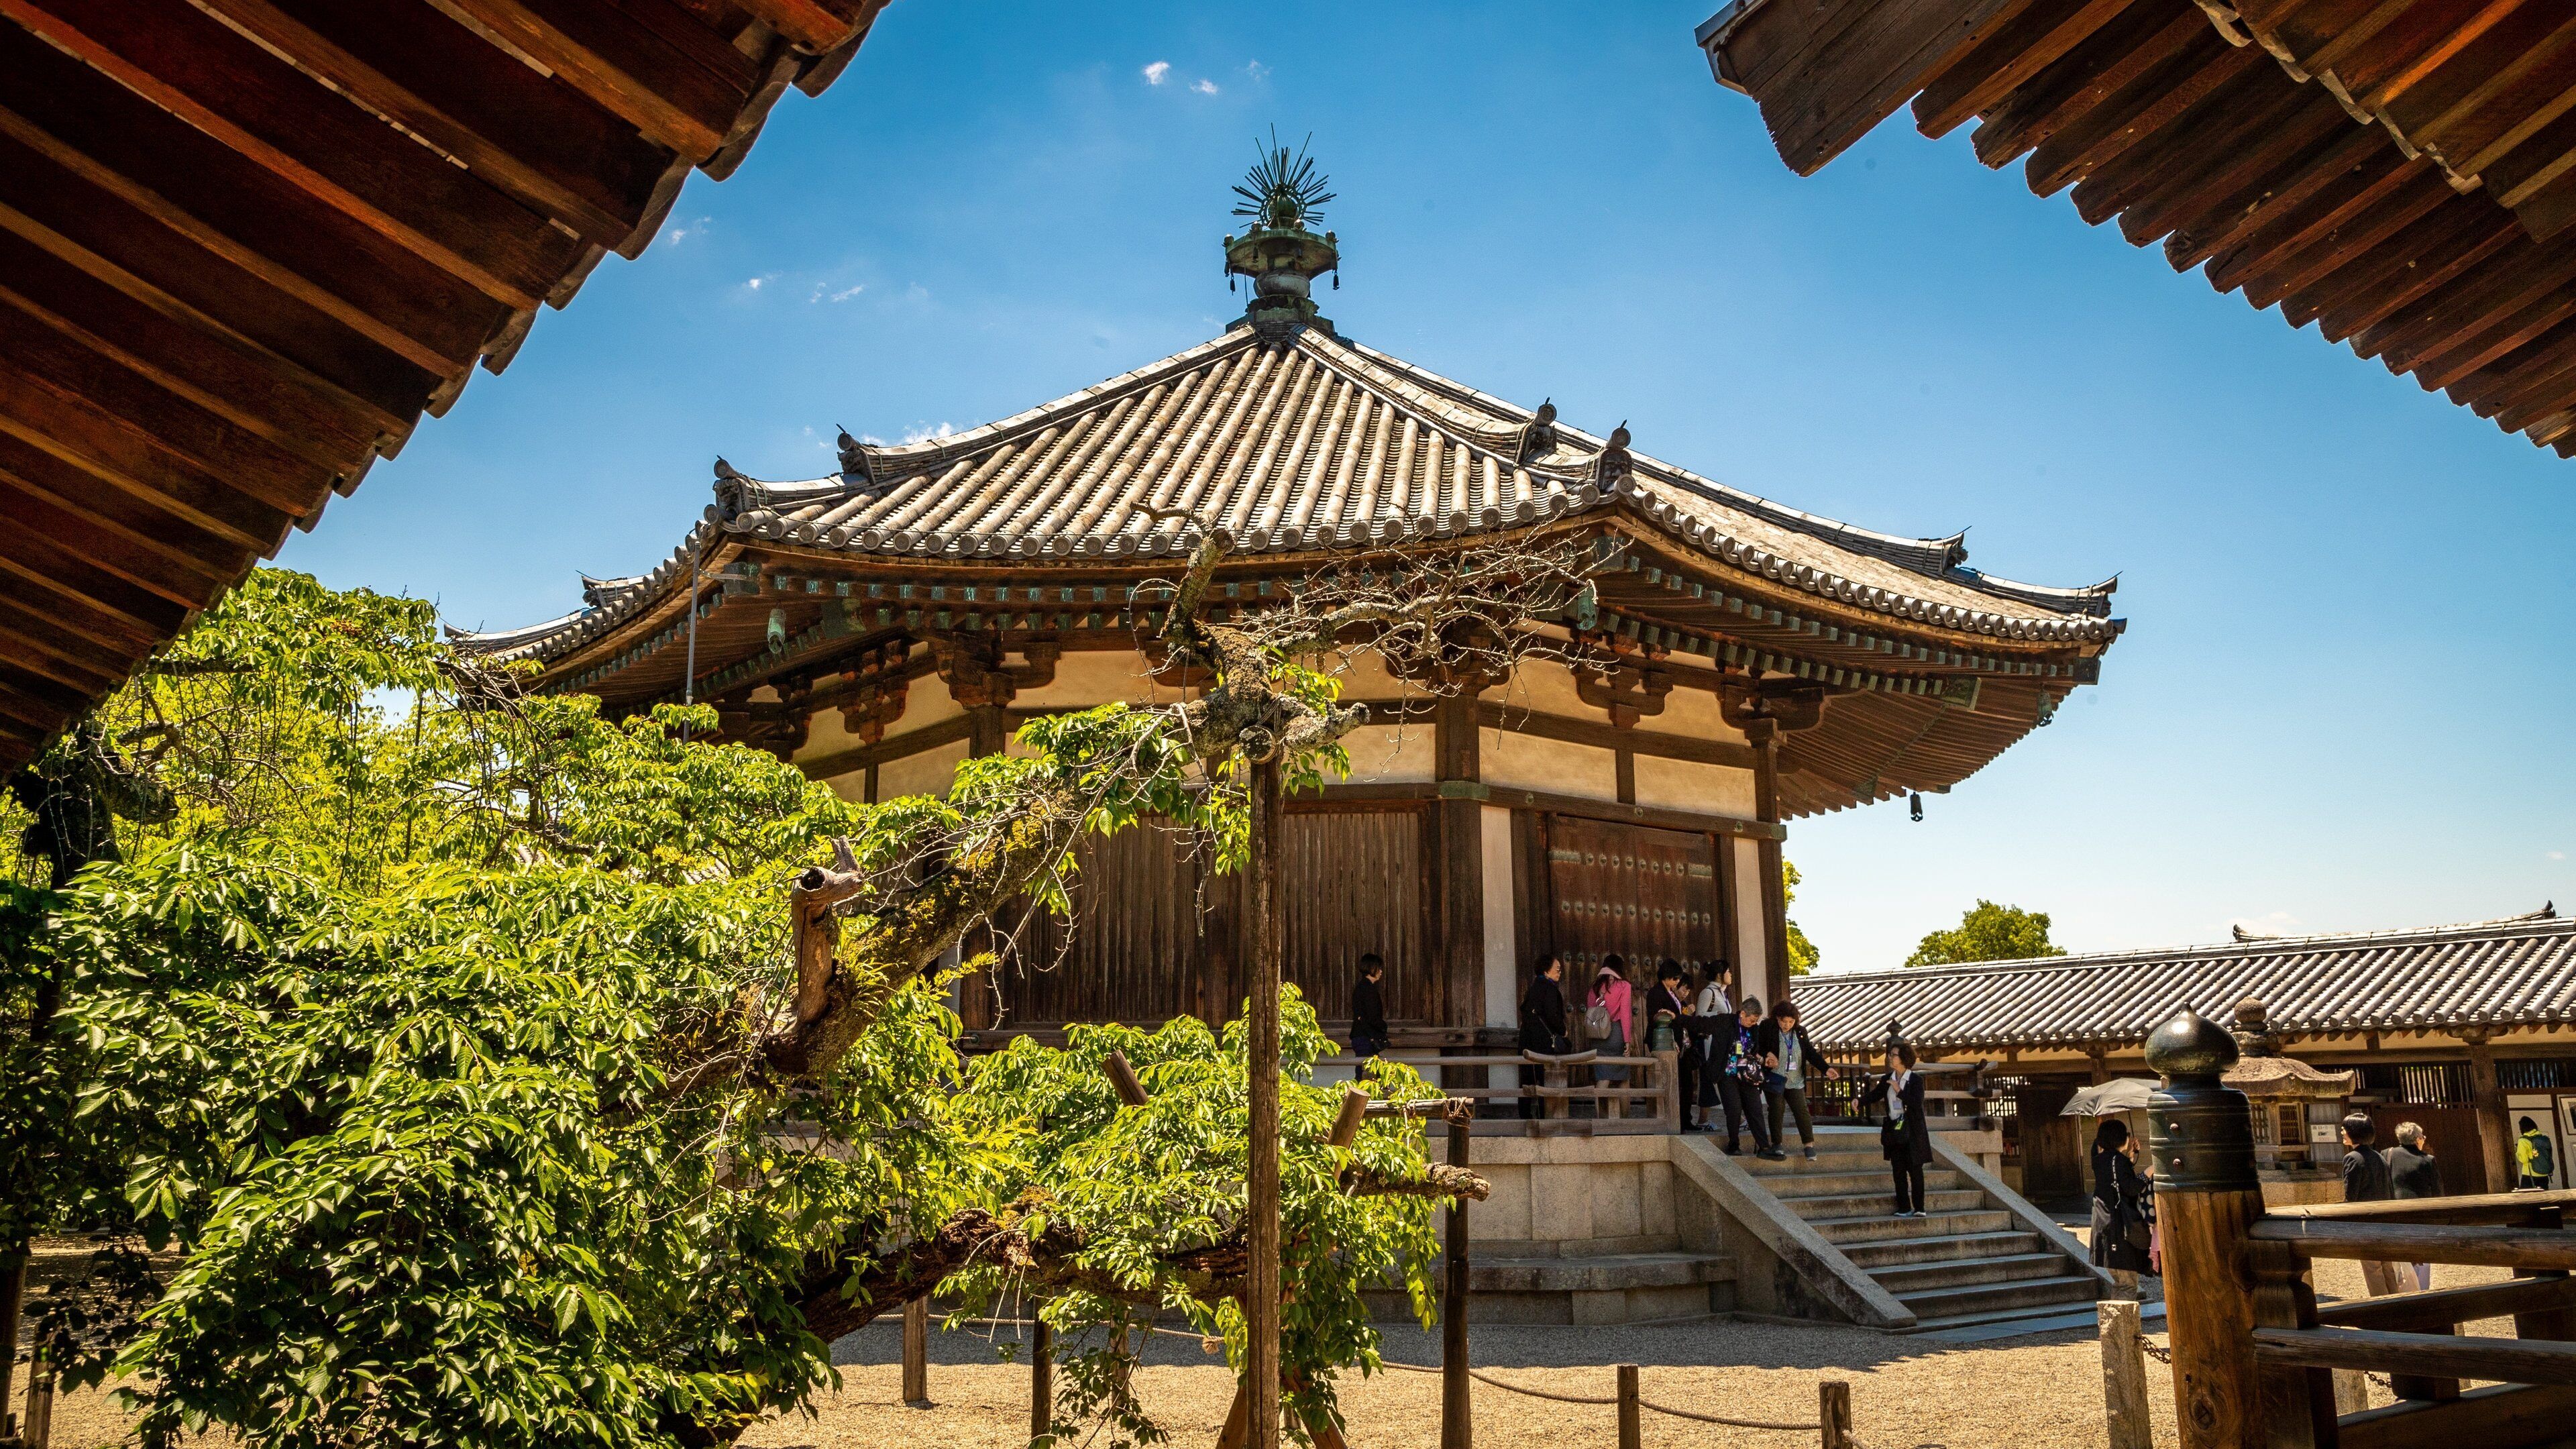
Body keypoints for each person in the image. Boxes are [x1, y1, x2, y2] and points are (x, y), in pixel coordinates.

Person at [1858, 1038, 1932, 1216]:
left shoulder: (1915, 1080)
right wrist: (1858, 1101)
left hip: (1913, 1130)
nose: (1890, 1058)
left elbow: (1916, 1103)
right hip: (1894, 1129)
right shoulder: (1887, 1079)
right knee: (1898, 1169)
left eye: (1894, 1055)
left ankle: (1919, 1208)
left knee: (1915, 1170)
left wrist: (1899, 1090)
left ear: (1904, 1058)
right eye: (1890, 1055)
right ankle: (1904, 1207)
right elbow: (1875, 1095)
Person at [1756, 1000, 1836, 1161]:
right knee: (1777, 1109)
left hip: (1795, 1079)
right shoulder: (1767, 1029)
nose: (1787, 1025)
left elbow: (1810, 1053)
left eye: (1791, 1022)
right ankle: (1777, 1144)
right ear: (1777, 1018)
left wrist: (1826, 1069)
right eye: (1784, 1021)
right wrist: (1766, 1056)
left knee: (1802, 1111)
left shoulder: (1800, 1032)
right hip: (1776, 1078)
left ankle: (1809, 1145)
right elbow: (1758, 1047)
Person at [2342, 1114, 2406, 1297]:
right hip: (2385, 1222)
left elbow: (2351, 1196)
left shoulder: (2352, 1158)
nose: (2342, 1132)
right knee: (2387, 1268)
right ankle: (2395, 1304)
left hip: (2365, 1224)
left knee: (2373, 1270)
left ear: (2354, 1132)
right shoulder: (2379, 1157)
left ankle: (2381, 1308)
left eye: (2345, 1129)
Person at [2089, 1120, 2154, 1291]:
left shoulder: (2098, 1159)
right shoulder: (2118, 1161)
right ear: (2119, 1138)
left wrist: (2130, 1156)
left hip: (2103, 1225)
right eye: (2126, 1134)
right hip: (2119, 1229)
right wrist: (2150, 1170)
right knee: (2127, 1286)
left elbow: (2115, 1176)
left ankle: (2114, 1318)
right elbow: (2131, 1188)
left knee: (2120, 1284)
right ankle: (2121, 1319)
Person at [1717, 998, 1781, 1159]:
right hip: (1728, 1073)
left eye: (1756, 1021)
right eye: (1752, 1020)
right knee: (1734, 1109)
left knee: (1755, 1108)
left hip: (1747, 1074)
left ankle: (1764, 1147)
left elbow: (1756, 1051)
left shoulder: (1754, 1030)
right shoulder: (1728, 1023)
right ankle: (1734, 1144)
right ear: (1743, 1014)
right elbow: (1702, 1022)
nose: (1753, 1023)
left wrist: (1764, 1059)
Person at [2387, 1121, 2443, 1291]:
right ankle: (2421, 1292)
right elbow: (2438, 1191)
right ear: (2418, 1139)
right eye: (2423, 1137)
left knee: (2401, 1257)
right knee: (2423, 1257)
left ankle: (2402, 1291)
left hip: (2395, 1213)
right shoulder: (2427, 1161)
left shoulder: (2387, 1154)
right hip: (2422, 1215)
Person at [1517, 956, 1568, 1121]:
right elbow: (1553, 1016)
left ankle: (1525, 1116)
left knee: (1528, 1080)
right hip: (1544, 1044)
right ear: (1546, 972)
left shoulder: (1533, 989)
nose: (1560, 972)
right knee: (1545, 1078)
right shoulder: (1550, 990)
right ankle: (1545, 1115)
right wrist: (1563, 1031)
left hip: (1527, 1041)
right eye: (1557, 969)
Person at [1647, 960, 1694, 1128]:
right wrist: (1671, 1040)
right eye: (1675, 979)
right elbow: (1657, 1019)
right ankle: (1672, 1120)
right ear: (1666, 977)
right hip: (1666, 1043)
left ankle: (1684, 1119)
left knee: (1686, 1082)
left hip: (1681, 1043)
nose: (1676, 982)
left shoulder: (1671, 993)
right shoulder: (1656, 993)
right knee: (1671, 1081)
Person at [1587, 957, 1633, 1090]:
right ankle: (1625, 1112)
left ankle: (1600, 1112)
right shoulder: (1624, 986)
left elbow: (1592, 1013)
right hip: (1615, 1034)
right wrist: (1627, 1041)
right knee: (1623, 1079)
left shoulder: (1594, 988)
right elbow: (1625, 1014)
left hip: (1597, 1035)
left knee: (1603, 1076)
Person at [1348, 953, 1387, 1061]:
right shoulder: (1368, 989)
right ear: (1372, 968)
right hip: (1366, 1036)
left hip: (1361, 1035)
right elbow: (1372, 1016)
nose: (1381, 972)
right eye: (1379, 968)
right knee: (1367, 1073)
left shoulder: (1361, 987)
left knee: (1366, 1071)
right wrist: (1383, 1026)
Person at [2519, 1116, 2557, 1189]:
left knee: (2526, 1198)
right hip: (2544, 1174)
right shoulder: (2543, 1138)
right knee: (2544, 1197)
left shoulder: (2523, 1141)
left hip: (2529, 1174)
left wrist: (2518, 1153)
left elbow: (2524, 1160)